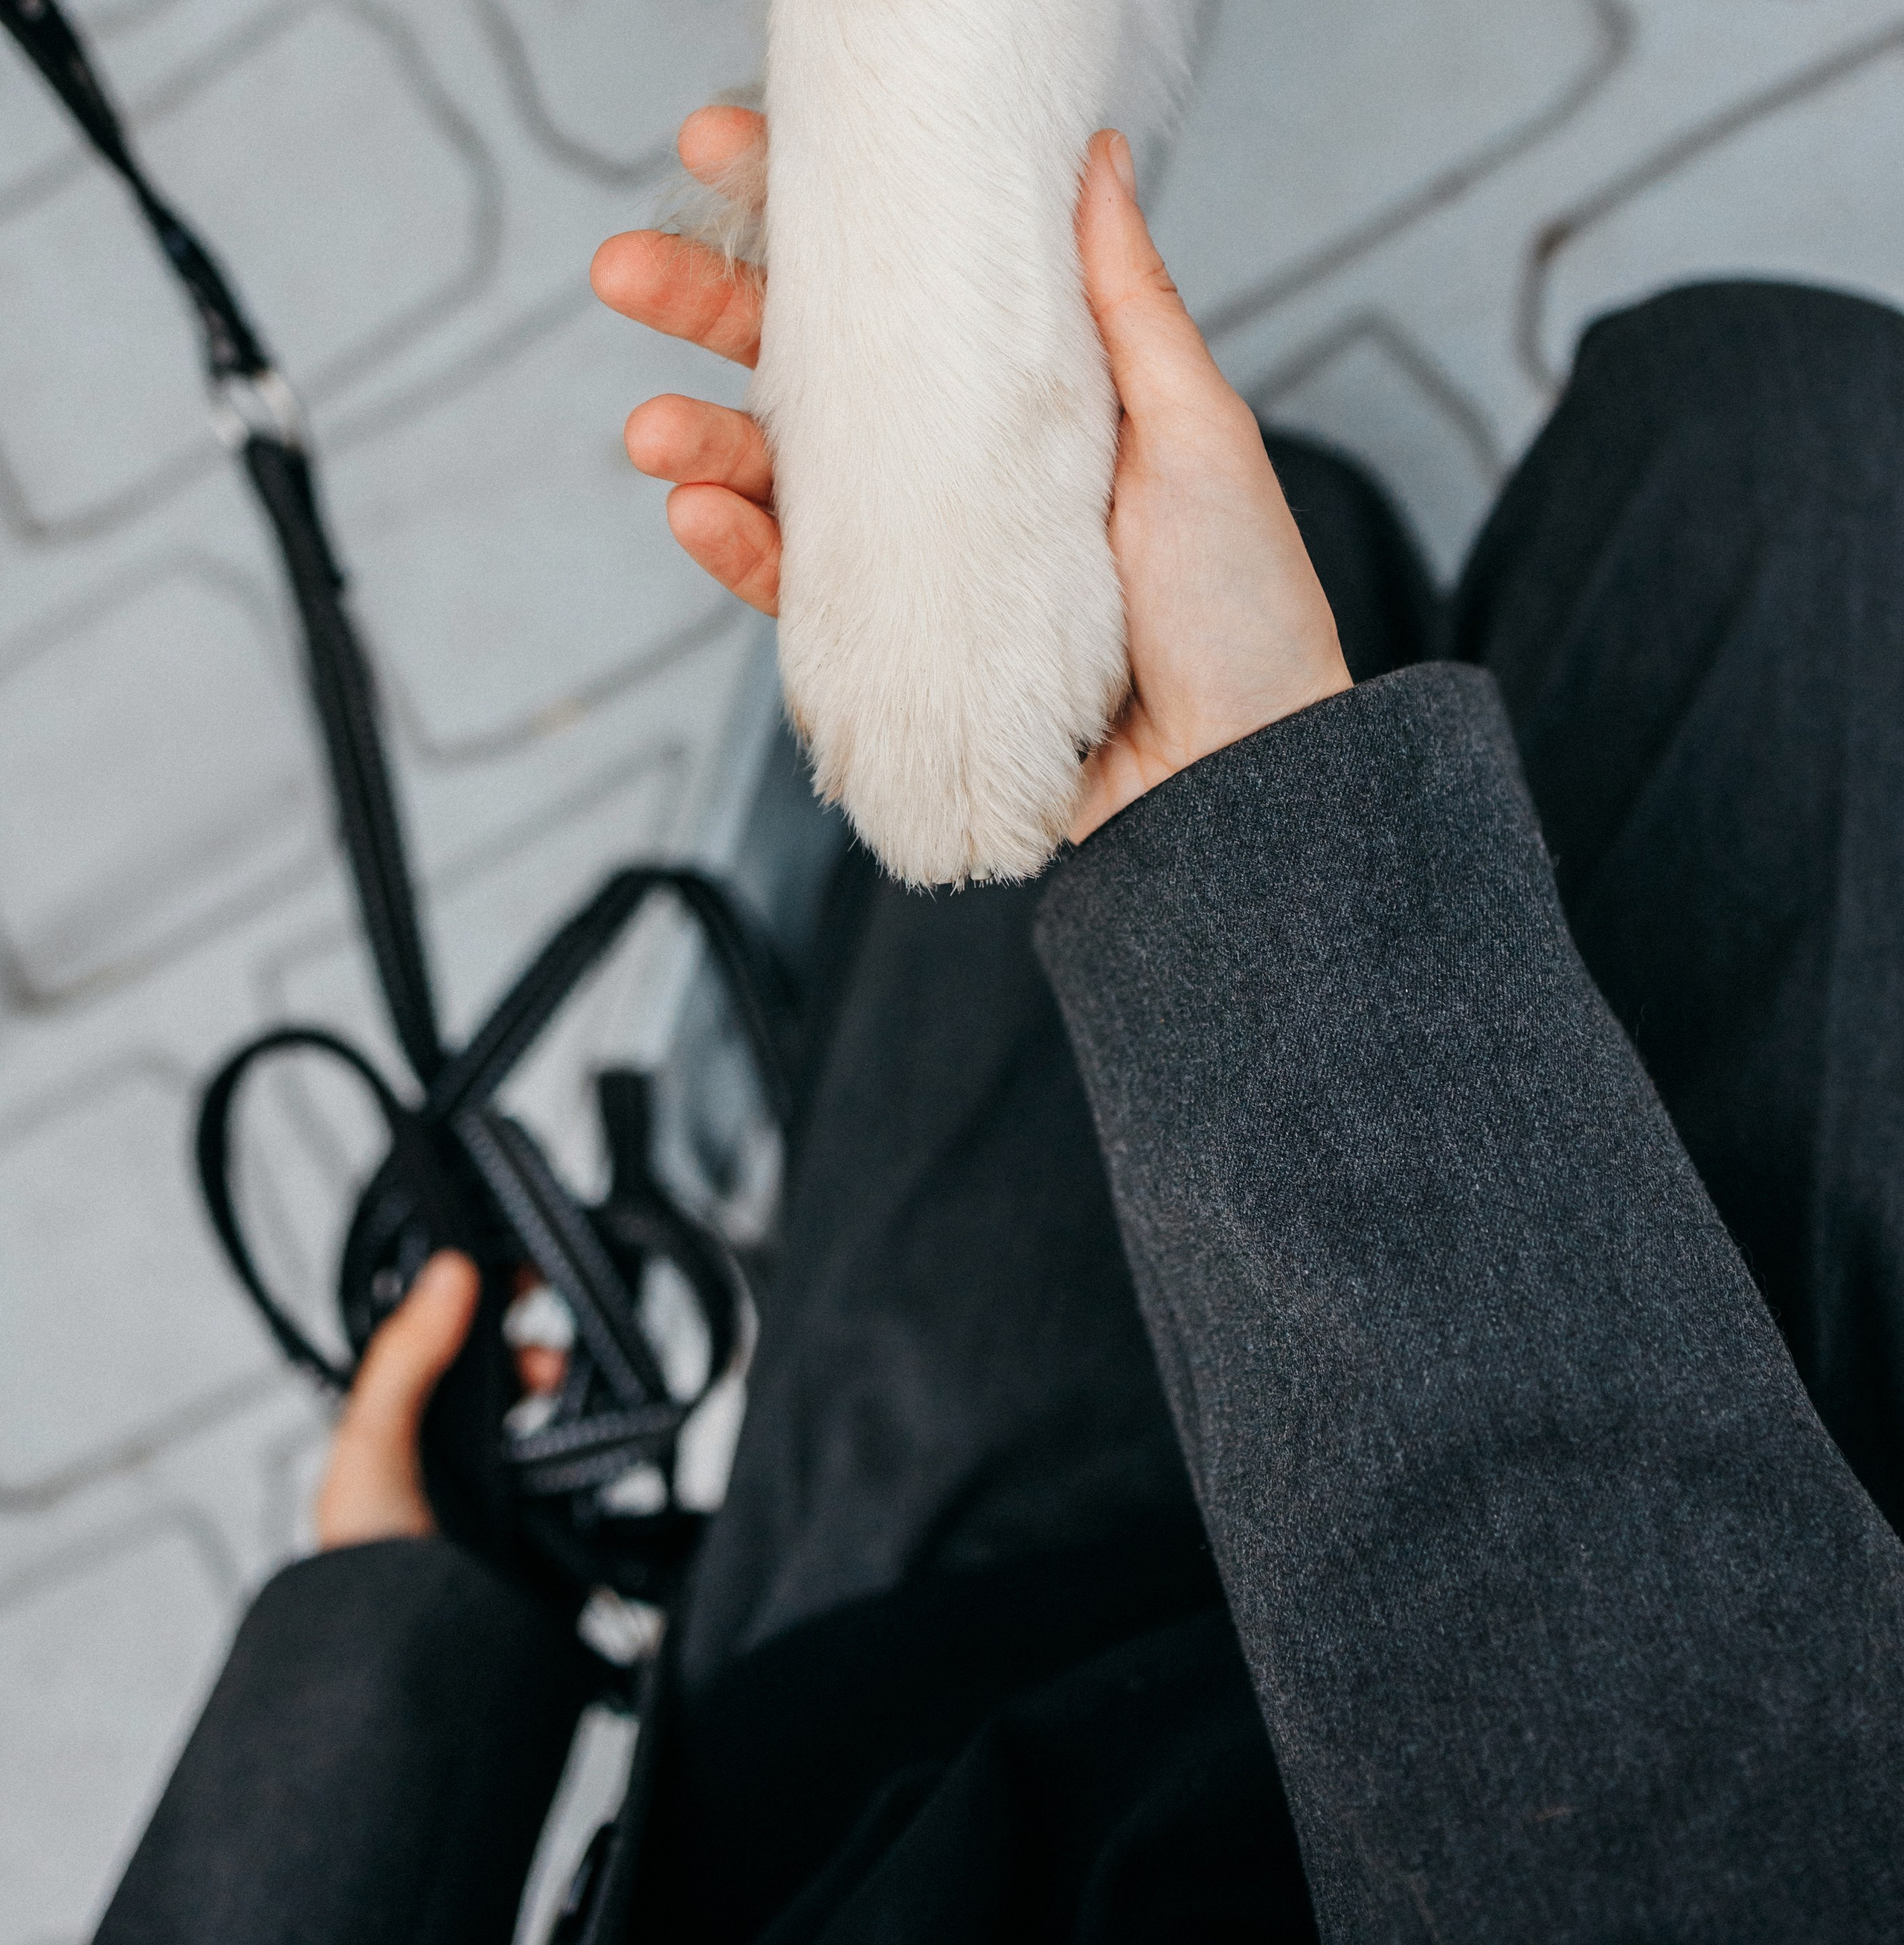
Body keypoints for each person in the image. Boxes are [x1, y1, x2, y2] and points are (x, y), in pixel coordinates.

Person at [97, 115, 1904, 1945]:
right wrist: (1264, 874)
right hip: (1767, 1628)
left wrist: (377, 1664)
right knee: (1780, 432)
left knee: (1210, 550)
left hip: (890, 1751)